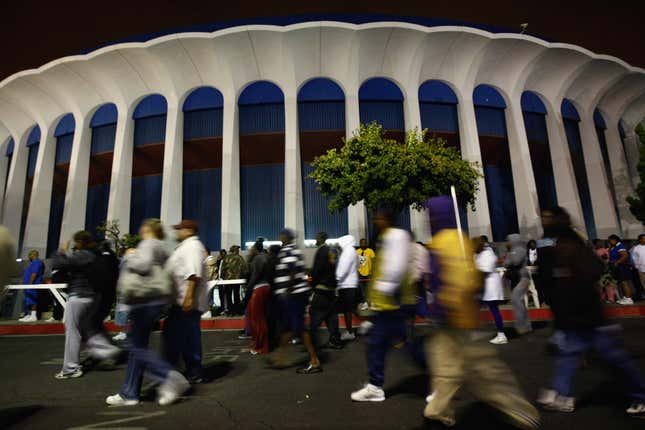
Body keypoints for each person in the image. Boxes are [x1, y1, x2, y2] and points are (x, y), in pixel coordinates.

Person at [423, 197, 540, 429]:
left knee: (484, 372)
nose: (431, 218)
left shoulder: (447, 242)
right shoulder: (454, 240)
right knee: (445, 367)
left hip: (455, 318)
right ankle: (437, 411)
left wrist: (447, 305)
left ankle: (518, 410)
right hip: (452, 318)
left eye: (433, 214)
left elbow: (458, 279)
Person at [536, 207, 645, 417]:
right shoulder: (548, 242)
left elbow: (594, 269)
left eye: (548, 217)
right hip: (570, 312)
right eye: (543, 217)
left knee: (613, 357)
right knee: (569, 353)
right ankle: (562, 394)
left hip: (587, 311)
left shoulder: (573, 241)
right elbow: (545, 270)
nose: (544, 221)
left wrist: (570, 277)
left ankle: (641, 394)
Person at [106, 219, 189, 406]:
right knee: (138, 346)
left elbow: (142, 265)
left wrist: (129, 255)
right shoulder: (164, 248)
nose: (141, 228)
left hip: (143, 300)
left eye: (144, 226)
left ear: (149, 229)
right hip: (156, 300)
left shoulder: (148, 243)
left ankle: (168, 376)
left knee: (134, 346)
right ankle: (130, 392)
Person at [351, 208, 415, 402]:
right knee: (386, 344)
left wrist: (380, 296)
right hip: (387, 304)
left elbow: (394, 269)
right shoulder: (386, 238)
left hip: (392, 304)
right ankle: (375, 386)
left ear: (387, 219)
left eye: (378, 217)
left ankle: (375, 387)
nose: (375, 221)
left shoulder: (394, 236)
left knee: (379, 344)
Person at [52, 231, 120, 379]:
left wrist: (62, 250)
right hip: (89, 296)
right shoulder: (94, 254)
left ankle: (72, 367)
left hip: (79, 296)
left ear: (79, 242)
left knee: (72, 332)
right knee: (83, 328)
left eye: (75, 242)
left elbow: (58, 263)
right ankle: (105, 349)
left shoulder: (84, 254)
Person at [164, 220, 209, 385]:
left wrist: (188, 298)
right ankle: (185, 369)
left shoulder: (191, 247)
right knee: (180, 337)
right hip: (181, 301)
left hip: (186, 302)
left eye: (180, 229)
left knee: (189, 337)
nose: (177, 232)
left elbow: (193, 274)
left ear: (189, 230)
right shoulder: (186, 246)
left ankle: (194, 371)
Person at [269, 228, 319, 372]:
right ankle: (279, 358)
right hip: (293, 295)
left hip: (293, 295)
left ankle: (314, 360)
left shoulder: (289, 251)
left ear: (286, 237)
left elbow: (292, 271)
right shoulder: (292, 250)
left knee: (299, 328)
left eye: (282, 235)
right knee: (288, 328)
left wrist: (287, 290)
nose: (280, 237)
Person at [302, 231, 343, 368]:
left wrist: (312, 285)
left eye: (317, 237)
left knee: (315, 316)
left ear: (321, 239)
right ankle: (336, 340)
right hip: (332, 289)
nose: (315, 239)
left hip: (321, 288)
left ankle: (312, 344)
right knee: (331, 316)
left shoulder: (320, 251)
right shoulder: (333, 251)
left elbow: (317, 270)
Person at [475, 236, 507, 345]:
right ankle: (500, 333)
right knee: (486, 307)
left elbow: (484, 270)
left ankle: (501, 334)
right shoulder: (483, 253)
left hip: (490, 286)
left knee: (493, 309)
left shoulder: (487, 254)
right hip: (487, 286)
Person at [245, 241, 272, 354]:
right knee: (263, 318)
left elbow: (255, 276)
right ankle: (264, 345)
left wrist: (248, 291)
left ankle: (259, 346)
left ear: (256, 249)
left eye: (252, 248)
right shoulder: (268, 257)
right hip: (267, 288)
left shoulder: (257, 259)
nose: (250, 250)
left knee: (256, 319)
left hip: (259, 289)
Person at [505, 234, 532, 334]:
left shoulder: (520, 249)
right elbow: (506, 263)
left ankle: (522, 327)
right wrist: (510, 253)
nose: (507, 242)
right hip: (516, 278)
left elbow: (515, 261)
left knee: (516, 300)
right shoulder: (512, 250)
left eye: (508, 240)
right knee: (519, 302)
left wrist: (510, 253)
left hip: (522, 278)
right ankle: (526, 326)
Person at [337, 235, 359, 341]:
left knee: (347, 310)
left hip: (346, 284)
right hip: (351, 283)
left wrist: (337, 279)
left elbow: (343, 268)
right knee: (350, 309)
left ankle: (350, 332)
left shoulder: (348, 252)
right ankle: (352, 330)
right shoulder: (353, 251)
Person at [18, 250, 44, 322]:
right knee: (29, 300)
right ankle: (29, 315)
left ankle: (33, 316)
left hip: (32, 285)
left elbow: (34, 274)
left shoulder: (37, 262)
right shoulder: (33, 263)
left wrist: (30, 284)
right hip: (28, 285)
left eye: (29, 255)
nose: (29, 257)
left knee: (33, 300)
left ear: (33, 255)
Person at [608, 234, 635, 305]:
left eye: (610, 240)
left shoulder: (620, 246)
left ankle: (629, 299)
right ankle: (626, 297)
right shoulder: (614, 247)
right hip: (618, 267)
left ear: (615, 240)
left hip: (622, 267)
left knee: (624, 282)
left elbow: (625, 255)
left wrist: (617, 262)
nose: (610, 242)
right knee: (622, 282)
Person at [221, 245, 247, 315]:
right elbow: (244, 269)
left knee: (228, 295)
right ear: (235, 250)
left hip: (228, 280)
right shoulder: (240, 258)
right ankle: (237, 311)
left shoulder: (226, 258)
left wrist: (223, 278)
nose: (238, 251)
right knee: (236, 295)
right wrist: (244, 278)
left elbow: (222, 270)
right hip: (237, 280)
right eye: (237, 250)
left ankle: (230, 311)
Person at [356, 238, 376, 310]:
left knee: (369, 289)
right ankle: (365, 303)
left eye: (365, 243)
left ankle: (372, 303)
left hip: (369, 273)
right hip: (360, 273)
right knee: (362, 290)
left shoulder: (370, 251)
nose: (363, 244)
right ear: (360, 243)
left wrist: (373, 272)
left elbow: (374, 262)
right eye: (362, 243)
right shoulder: (357, 252)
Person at [525, 240, 541, 309]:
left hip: (537, 271)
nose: (533, 245)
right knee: (530, 288)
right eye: (531, 244)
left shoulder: (539, 251)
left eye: (534, 244)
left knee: (537, 287)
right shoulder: (526, 252)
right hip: (529, 271)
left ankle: (539, 302)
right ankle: (528, 304)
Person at [630, 234, 645, 300]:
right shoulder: (636, 248)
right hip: (641, 269)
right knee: (643, 282)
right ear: (640, 240)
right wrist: (637, 266)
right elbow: (634, 258)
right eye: (644, 238)